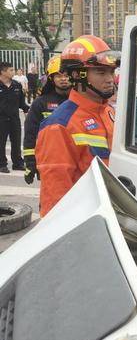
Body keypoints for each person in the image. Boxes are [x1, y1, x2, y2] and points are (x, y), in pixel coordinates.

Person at [36, 35, 119, 216]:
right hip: (85, 219)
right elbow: (55, 199)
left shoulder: (109, 112)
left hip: (112, 214)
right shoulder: (59, 125)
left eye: (111, 72)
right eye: (101, 72)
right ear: (76, 75)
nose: (110, 79)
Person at [22, 56, 71, 184]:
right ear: (51, 78)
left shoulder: (82, 100)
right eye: (59, 76)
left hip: (76, 163)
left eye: (67, 75)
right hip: (49, 163)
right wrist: (30, 163)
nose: (63, 79)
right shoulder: (41, 103)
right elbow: (30, 134)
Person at [0, 61, 29, 173]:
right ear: (3, 72)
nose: (14, 72)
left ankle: (17, 163)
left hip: (14, 119)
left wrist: (27, 111)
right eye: (11, 70)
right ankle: (2, 164)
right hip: (1, 120)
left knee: (16, 142)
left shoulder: (17, 85)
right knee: (1, 142)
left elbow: (22, 103)